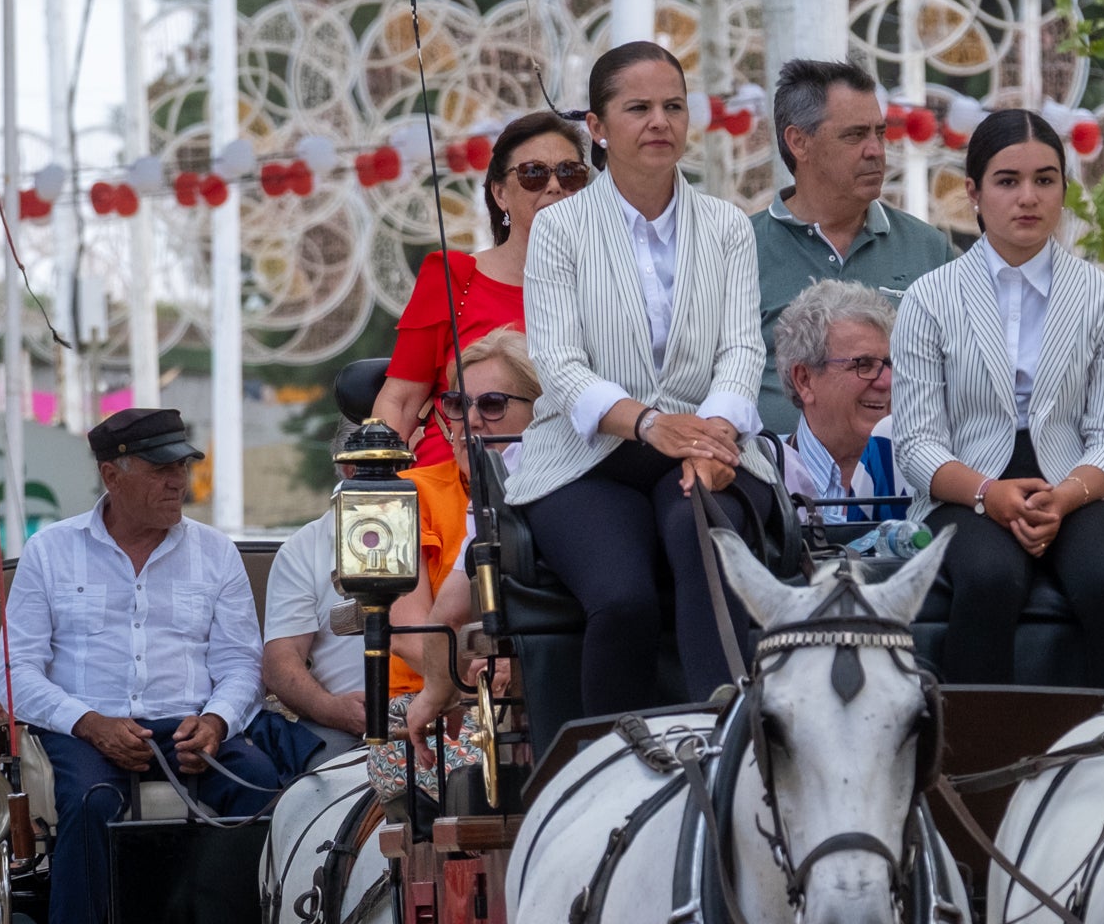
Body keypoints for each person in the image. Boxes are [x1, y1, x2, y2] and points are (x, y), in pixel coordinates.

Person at [0, 407, 279, 924]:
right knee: (92, 803)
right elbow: (12, 676)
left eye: (183, 466)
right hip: (82, 724)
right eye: (161, 468)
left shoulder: (215, 553)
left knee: (264, 790)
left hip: (188, 727)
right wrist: (87, 723)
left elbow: (241, 664)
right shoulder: (50, 550)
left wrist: (214, 721)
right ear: (111, 474)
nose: (178, 480)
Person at [506, 39, 776, 719]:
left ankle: (729, 733)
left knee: (702, 542)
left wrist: (711, 436)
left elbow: (743, 349)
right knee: (621, 596)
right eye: (637, 108)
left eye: (672, 106)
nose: (659, 121)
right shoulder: (559, 228)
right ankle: (604, 767)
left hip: (703, 442)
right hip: (584, 459)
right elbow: (561, 368)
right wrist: (653, 425)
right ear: (596, 128)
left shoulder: (727, 227)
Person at [892, 110, 1104, 690]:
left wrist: (1061, 499)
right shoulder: (928, 300)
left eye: (1045, 179)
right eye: (1007, 180)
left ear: (1065, 189)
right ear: (973, 192)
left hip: (1079, 483)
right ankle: (974, 765)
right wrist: (989, 493)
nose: (1028, 197)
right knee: (988, 579)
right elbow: (915, 445)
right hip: (966, 486)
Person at [266, 329, 535, 796]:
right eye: (457, 405)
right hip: (423, 707)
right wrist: (487, 669)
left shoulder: (568, 493)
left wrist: (527, 669)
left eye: (491, 405)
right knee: (483, 786)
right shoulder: (396, 498)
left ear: (539, 413)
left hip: (538, 691)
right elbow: (411, 635)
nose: (470, 422)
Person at [370, 111, 588, 466]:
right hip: (457, 475)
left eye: (570, 173)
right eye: (533, 173)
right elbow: (402, 400)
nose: (554, 186)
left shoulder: (612, 283)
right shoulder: (453, 276)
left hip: (572, 472)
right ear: (500, 194)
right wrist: (375, 484)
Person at [753, 58, 955, 435]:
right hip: (771, 479)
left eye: (880, 133)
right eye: (855, 135)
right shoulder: (740, 249)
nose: (876, 150)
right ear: (798, 142)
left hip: (904, 478)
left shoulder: (927, 249)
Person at [771, 278, 904, 545]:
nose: (886, 381)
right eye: (864, 365)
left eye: (892, 364)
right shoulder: (765, 475)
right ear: (804, 380)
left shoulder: (921, 473)